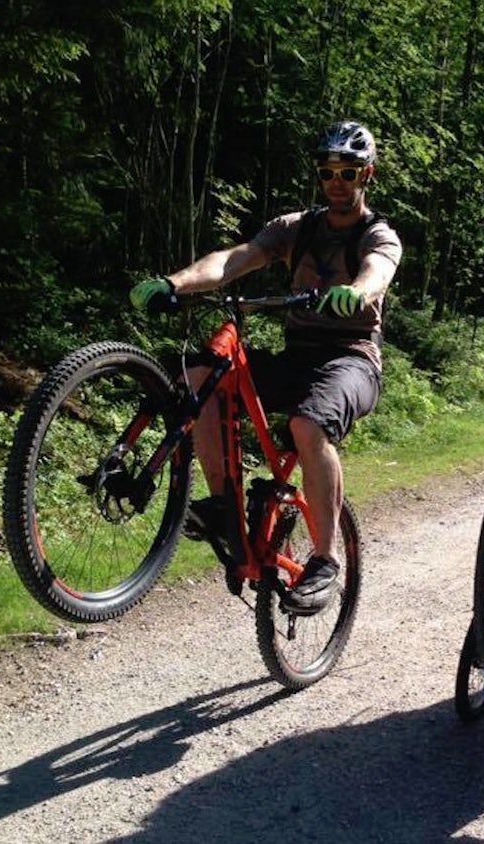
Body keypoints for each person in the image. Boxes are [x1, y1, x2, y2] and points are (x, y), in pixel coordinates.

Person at [129, 120, 402, 612]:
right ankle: (221, 508)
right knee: (200, 377)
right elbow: (234, 259)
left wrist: (356, 294)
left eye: (348, 172)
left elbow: (377, 271)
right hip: (297, 356)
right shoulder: (295, 228)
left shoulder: (376, 233)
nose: (337, 181)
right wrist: (175, 283)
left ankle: (324, 562)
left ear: (368, 175)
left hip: (352, 360)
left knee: (307, 423)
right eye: (328, 171)